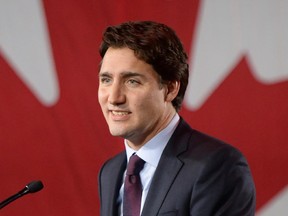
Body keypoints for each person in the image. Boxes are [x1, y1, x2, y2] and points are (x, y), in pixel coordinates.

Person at [97, 20, 256, 216]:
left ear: (171, 88)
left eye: (132, 81)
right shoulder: (110, 172)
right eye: (106, 80)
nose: (114, 97)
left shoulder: (218, 166)